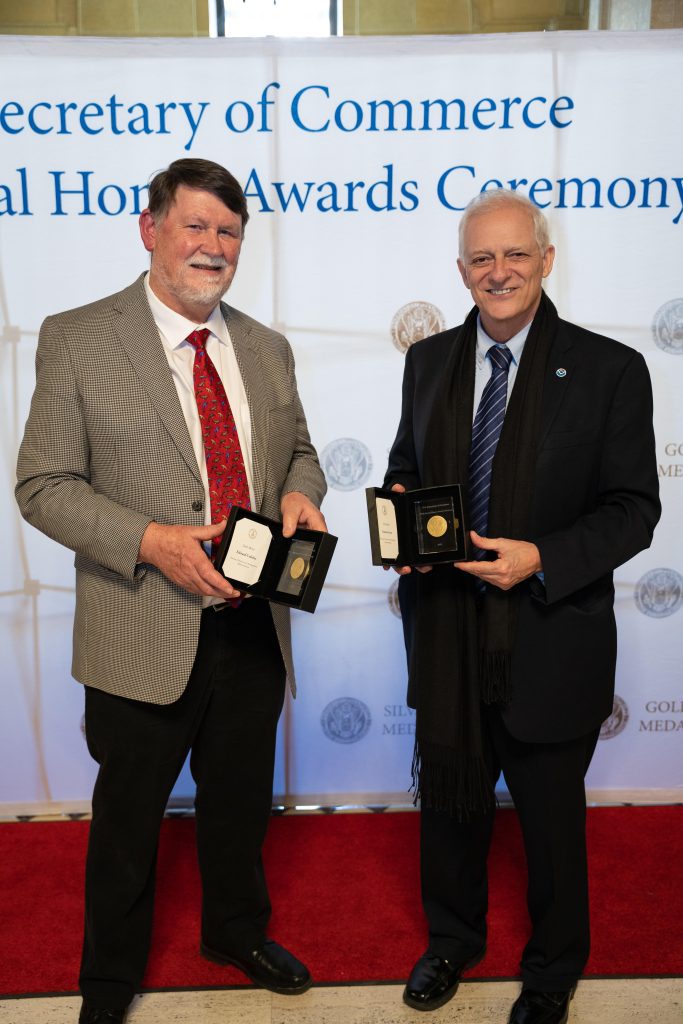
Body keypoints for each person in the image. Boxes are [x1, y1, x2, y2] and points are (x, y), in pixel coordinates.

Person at [16, 158, 327, 1024]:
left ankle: (235, 930)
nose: (212, 246)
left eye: (227, 232)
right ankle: (109, 984)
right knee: (127, 826)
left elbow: (298, 451)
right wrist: (149, 541)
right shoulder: (77, 336)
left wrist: (304, 491)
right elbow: (41, 483)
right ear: (150, 228)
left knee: (239, 806)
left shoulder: (265, 347)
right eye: (194, 227)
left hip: (251, 626)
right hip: (140, 625)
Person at [384, 189, 660, 1023]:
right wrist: (399, 516)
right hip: (446, 634)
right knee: (451, 807)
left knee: (548, 824)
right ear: (460, 270)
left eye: (513, 255)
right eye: (479, 258)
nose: (496, 272)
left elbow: (631, 508)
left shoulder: (609, 368)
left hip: (549, 634)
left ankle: (550, 971)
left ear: (545, 259)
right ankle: (450, 940)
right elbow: (406, 466)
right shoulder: (427, 361)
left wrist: (541, 559)